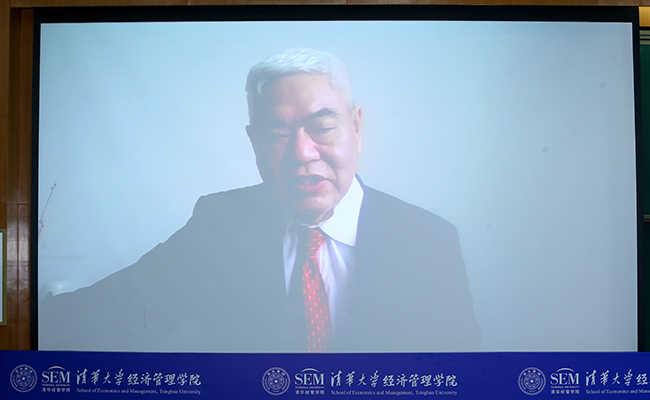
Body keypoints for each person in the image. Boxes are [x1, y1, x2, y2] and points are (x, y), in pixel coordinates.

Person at [40, 48, 480, 353]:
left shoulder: (428, 240)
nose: (301, 153)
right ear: (253, 141)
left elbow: (459, 375)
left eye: (322, 127)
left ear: (356, 126)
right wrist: (17, 315)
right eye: (276, 132)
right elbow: (117, 313)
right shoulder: (219, 225)